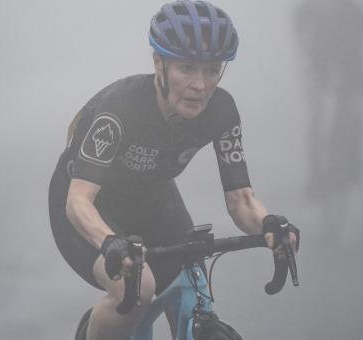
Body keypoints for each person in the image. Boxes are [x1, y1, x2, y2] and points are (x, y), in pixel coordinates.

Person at [48, 1, 299, 339]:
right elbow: (78, 200)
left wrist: (271, 225)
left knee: (191, 267)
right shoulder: (120, 109)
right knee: (137, 291)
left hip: (153, 195)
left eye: (211, 70)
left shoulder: (221, 110)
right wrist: (109, 241)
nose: (200, 85)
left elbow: (241, 200)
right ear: (158, 63)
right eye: (187, 68)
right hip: (87, 206)